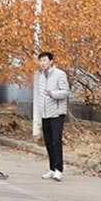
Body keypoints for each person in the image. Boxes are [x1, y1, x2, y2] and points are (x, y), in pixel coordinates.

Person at [33, 51, 70, 181]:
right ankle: (52, 168)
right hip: (45, 113)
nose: (42, 63)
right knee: (48, 142)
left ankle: (59, 170)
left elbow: (66, 92)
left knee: (56, 141)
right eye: (40, 60)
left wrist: (53, 94)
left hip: (56, 113)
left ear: (51, 61)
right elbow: (39, 95)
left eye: (45, 60)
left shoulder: (60, 74)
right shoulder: (40, 76)